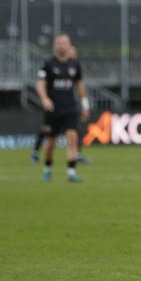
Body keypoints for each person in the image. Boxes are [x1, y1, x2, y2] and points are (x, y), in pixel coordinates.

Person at [35, 34, 90, 183]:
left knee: (72, 139)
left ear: (69, 45)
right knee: (51, 142)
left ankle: (71, 172)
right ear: (55, 46)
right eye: (59, 43)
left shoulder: (75, 65)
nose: (62, 46)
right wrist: (44, 98)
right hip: (53, 109)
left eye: (64, 43)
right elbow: (40, 84)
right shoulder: (48, 64)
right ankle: (47, 169)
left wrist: (85, 105)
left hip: (70, 108)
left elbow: (79, 85)